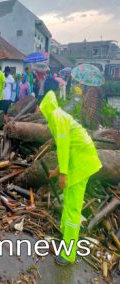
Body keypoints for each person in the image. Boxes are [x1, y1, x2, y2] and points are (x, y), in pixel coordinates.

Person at [39, 91, 102, 266]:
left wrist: (64, 174)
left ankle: (69, 254)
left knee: (73, 209)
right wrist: (58, 170)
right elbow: (66, 147)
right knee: (68, 204)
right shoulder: (58, 116)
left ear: (45, 107)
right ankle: (67, 241)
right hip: (79, 160)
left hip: (81, 164)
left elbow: (65, 147)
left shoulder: (57, 118)